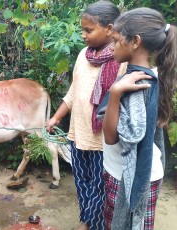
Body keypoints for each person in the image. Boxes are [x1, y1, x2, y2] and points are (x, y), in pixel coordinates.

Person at [46, 1, 126, 229]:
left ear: (109, 29)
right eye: (82, 30)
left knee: (100, 186)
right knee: (82, 183)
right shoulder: (83, 55)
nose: (83, 35)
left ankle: (88, 225)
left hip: (103, 141)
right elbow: (74, 90)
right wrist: (57, 117)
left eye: (88, 30)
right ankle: (88, 221)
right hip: (78, 134)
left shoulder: (121, 60)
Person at [100, 7, 177, 230]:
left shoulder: (135, 85)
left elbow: (113, 136)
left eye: (115, 40)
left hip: (130, 177)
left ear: (134, 41)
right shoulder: (150, 74)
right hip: (132, 171)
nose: (112, 47)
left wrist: (115, 94)